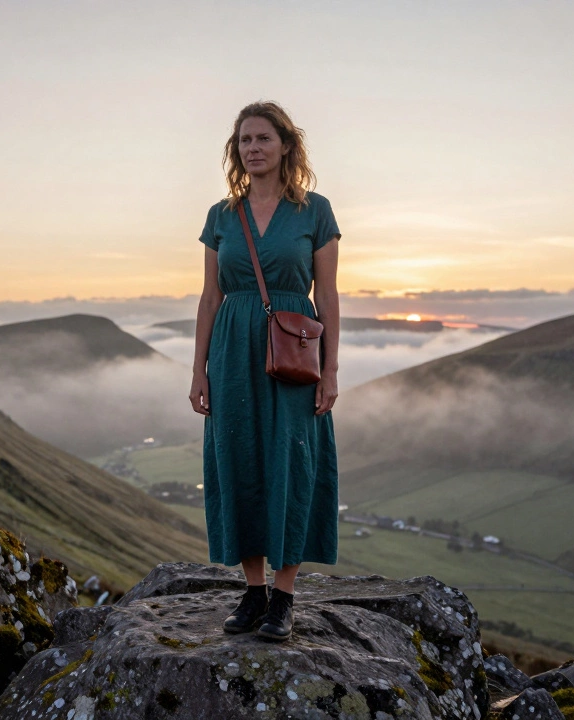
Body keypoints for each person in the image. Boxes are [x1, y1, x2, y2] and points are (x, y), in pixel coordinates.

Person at [190, 102, 340, 642]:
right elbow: (210, 297)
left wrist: (331, 370)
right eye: (244, 140)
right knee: (240, 459)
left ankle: (285, 597)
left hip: (294, 352)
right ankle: (253, 593)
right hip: (231, 353)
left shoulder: (315, 211)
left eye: (263, 138)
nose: (253, 148)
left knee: (292, 462)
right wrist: (198, 371)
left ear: (285, 146)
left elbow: (327, 294)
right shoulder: (220, 216)